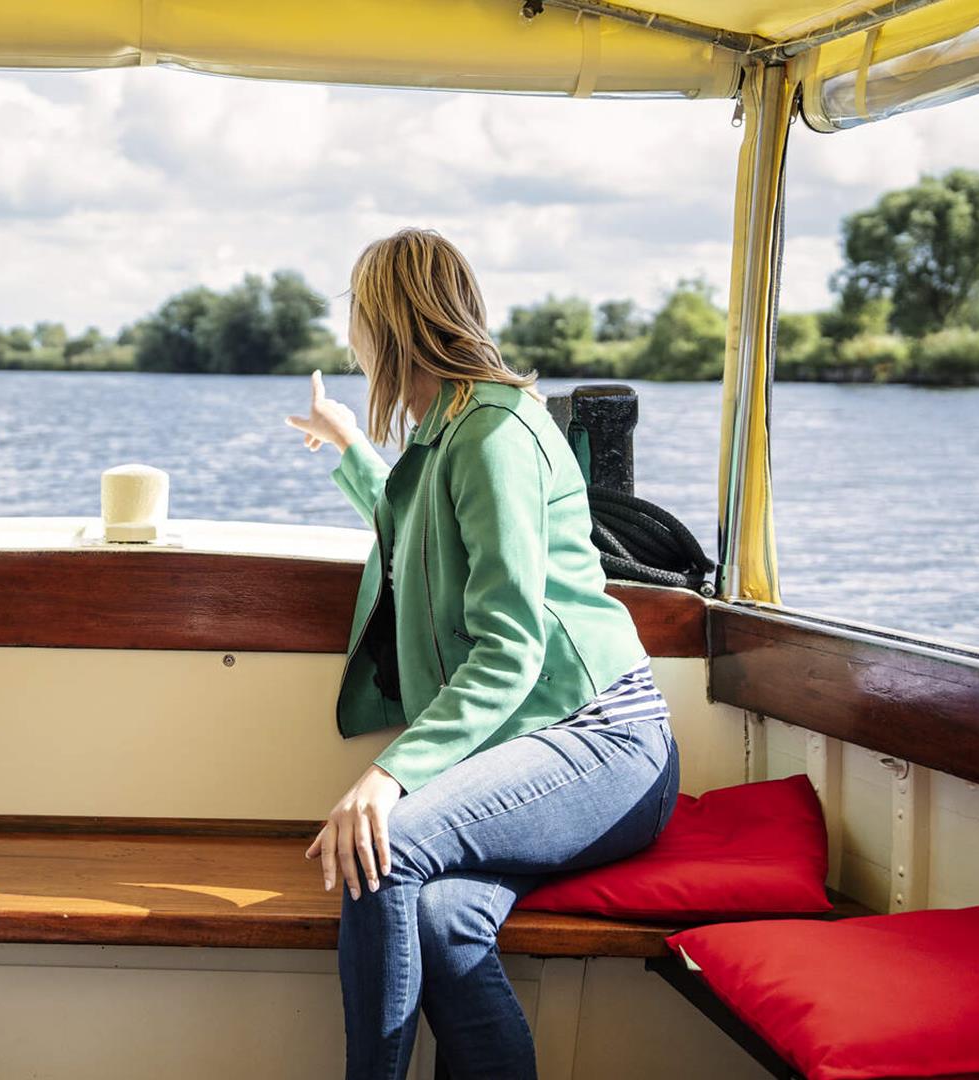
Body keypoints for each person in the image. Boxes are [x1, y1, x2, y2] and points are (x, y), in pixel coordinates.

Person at [285, 228, 679, 1080]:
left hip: (604, 742)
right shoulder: (446, 432)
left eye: (354, 310)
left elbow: (509, 646)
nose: (348, 331)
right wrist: (350, 444)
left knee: (381, 848)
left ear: (385, 321)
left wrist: (390, 775)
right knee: (441, 919)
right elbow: (409, 526)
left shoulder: (494, 428)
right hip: (532, 747)